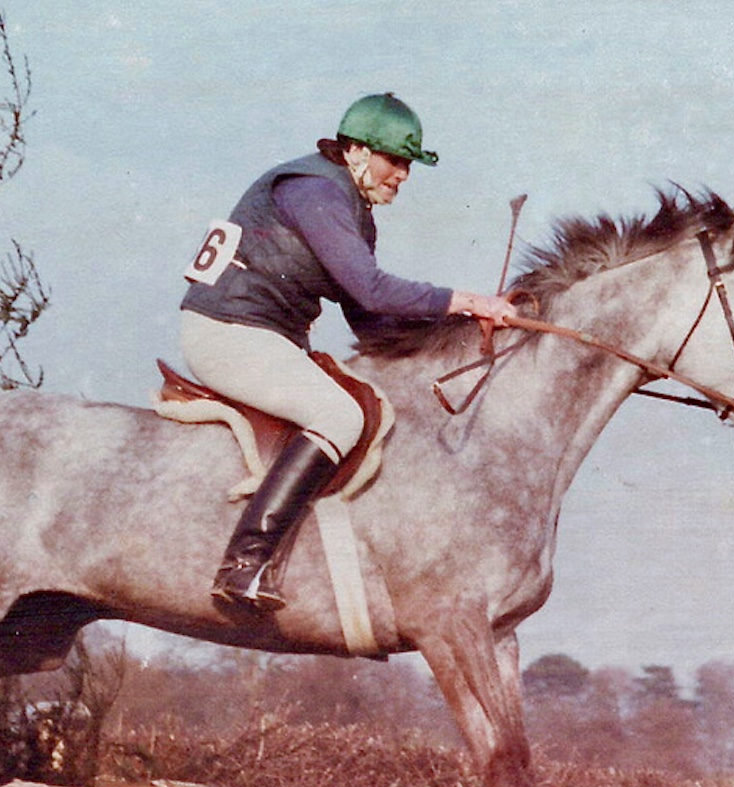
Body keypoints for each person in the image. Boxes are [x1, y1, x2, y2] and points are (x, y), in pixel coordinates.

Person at [180, 92, 519, 610]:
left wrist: (457, 334)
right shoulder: (314, 191)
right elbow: (372, 290)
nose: (403, 175)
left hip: (266, 336)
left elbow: (368, 319)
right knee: (338, 415)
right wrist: (465, 300)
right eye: (396, 160)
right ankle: (244, 563)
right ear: (358, 150)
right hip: (229, 331)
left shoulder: (350, 210)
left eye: (408, 164)